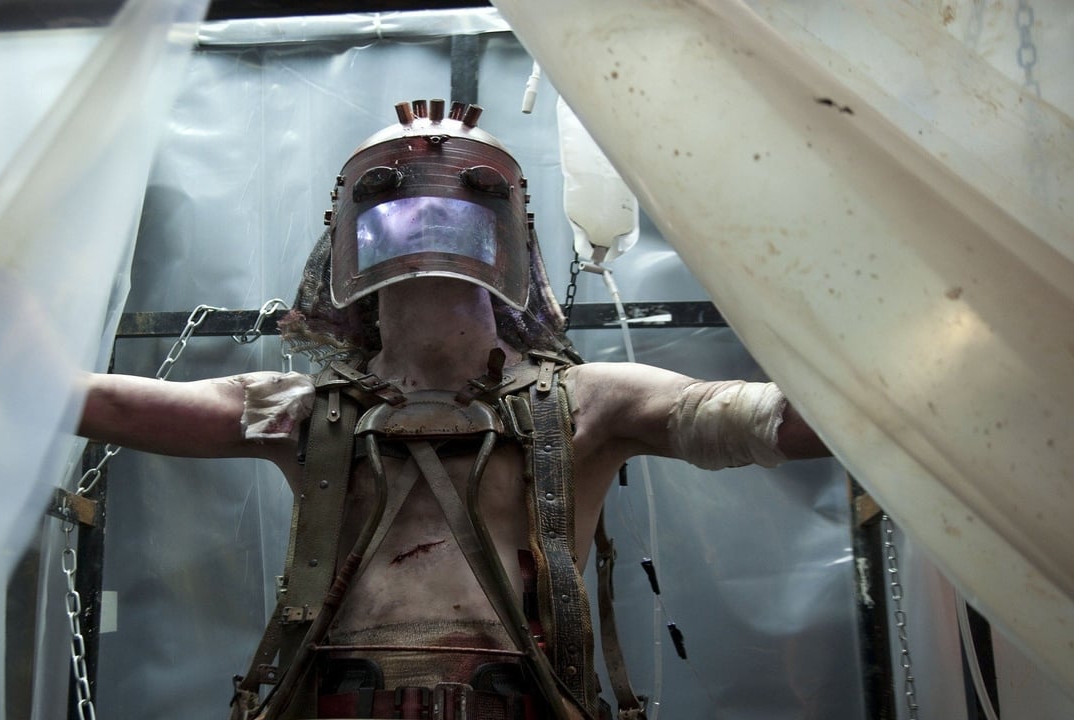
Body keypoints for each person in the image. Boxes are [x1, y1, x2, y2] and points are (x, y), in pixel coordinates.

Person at [79, 99, 830, 720]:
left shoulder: (592, 402)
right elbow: (95, 402)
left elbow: (785, 423)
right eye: (398, 203)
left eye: (460, 198)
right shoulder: (304, 410)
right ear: (350, 238)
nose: (428, 219)